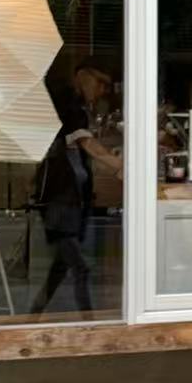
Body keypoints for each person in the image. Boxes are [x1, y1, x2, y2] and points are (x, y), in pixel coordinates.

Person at [30, 60, 123, 317]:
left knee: (60, 268)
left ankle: (34, 313)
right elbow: (89, 145)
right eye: (100, 83)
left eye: (106, 86)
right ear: (82, 76)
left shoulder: (75, 107)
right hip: (60, 202)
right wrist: (122, 166)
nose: (102, 90)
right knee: (80, 268)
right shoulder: (66, 103)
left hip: (72, 202)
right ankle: (88, 320)